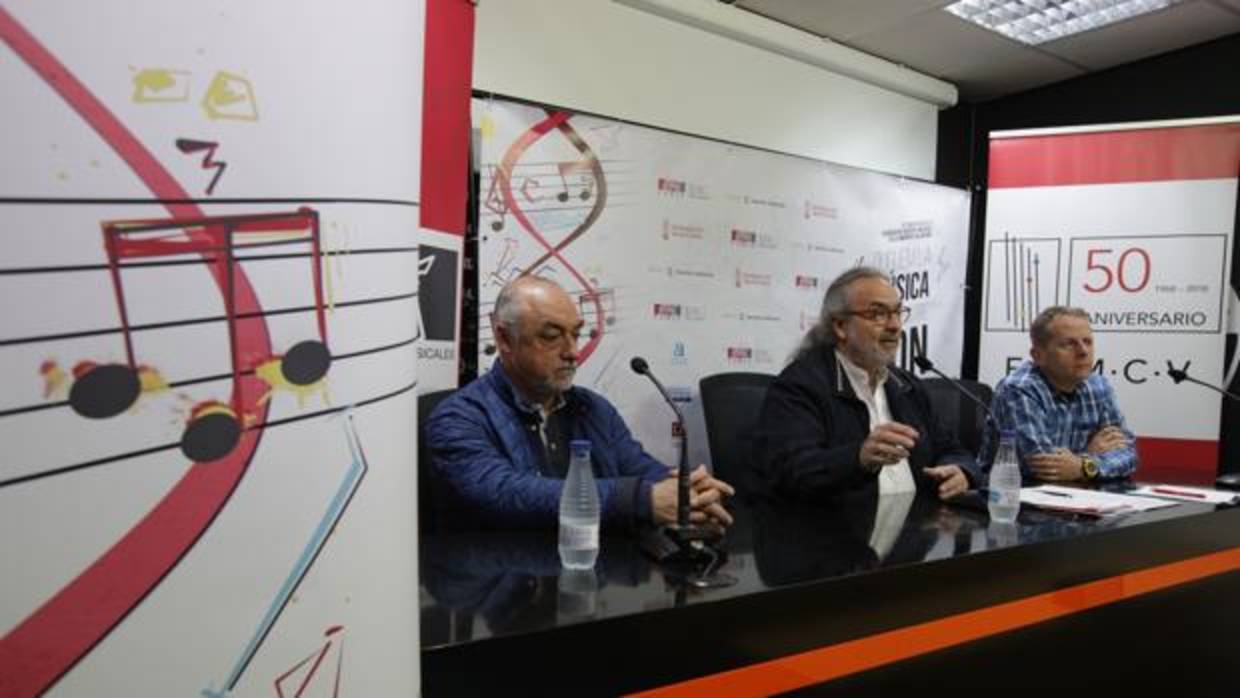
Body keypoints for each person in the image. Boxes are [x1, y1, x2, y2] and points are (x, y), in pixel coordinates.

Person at [426, 276, 734, 529]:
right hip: (507, 579)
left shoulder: (594, 409)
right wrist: (641, 501)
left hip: (591, 573)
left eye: (575, 334)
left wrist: (691, 494)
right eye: (552, 336)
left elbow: (639, 468)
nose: (572, 351)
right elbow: (505, 494)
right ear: (505, 339)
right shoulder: (458, 418)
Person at [753, 266, 977, 502]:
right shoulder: (801, 385)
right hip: (839, 521)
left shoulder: (907, 386)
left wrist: (961, 470)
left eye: (897, 312)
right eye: (878, 314)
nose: (895, 325)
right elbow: (791, 470)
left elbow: (952, 449)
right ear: (840, 326)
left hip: (916, 519)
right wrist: (858, 458)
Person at [980, 306, 1137, 482]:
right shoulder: (1018, 389)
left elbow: (1129, 454)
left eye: (1087, 341)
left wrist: (1083, 465)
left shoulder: (1098, 385)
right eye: (1068, 344)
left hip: (1081, 493)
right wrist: (1088, 457)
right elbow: (1042, 468)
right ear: (1038, 355)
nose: (1083, 351)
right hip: (1012, 493)